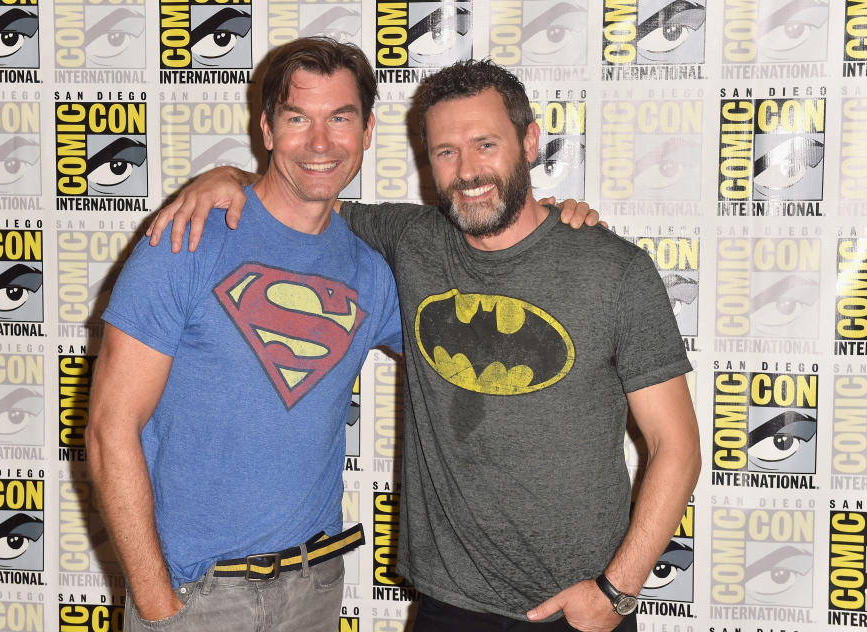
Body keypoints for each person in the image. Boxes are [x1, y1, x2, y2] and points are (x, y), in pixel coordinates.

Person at [152, 58, 701, 632]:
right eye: (446, 151)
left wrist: (616, 591)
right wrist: (223, 178)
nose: (467, 170)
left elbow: (676, 445)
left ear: (530, 141)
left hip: (577, 607)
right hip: (447, 606)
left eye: (486, 144)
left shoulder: (613, 271)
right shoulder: (411, 240)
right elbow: (303, 189)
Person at [86, 38, 406, 632]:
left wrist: (554, 224)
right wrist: (158, 606)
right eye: (297, 118)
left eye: (340, 118)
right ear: (266, 128)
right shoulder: (186, 241)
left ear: (366, 131)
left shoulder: (372, 274)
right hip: (195, 595)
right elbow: (110, 431)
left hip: (315, 589)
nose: (319, 142)